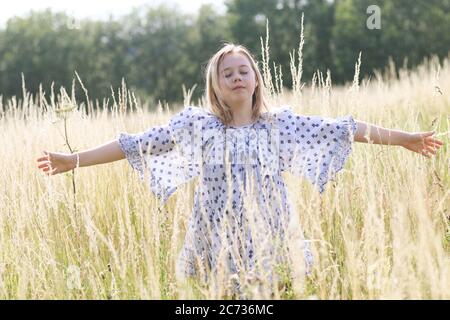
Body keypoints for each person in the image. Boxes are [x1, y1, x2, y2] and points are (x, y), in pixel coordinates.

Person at [36, 43, 444, 297]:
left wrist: (405, 137)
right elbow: (136, 144)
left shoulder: (279, 124)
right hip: (215, 235)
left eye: (242, 70)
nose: (235, 77)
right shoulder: (197, 125)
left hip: (270, 232)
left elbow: (345, 129)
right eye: (225, 73)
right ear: (215, 86)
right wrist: (73, 160)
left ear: (255, 79)